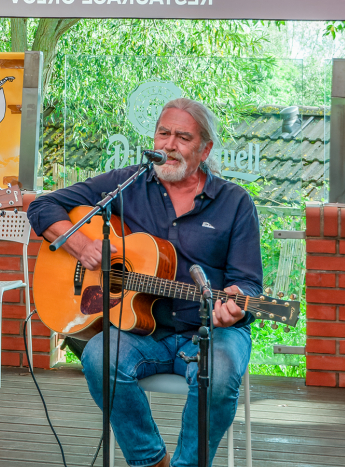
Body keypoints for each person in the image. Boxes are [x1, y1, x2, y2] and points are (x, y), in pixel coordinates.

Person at [27, 98, 262, 467]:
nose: (169, 145)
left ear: (205, 149)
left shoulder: (234, 202)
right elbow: (42, 207)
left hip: (209, 331)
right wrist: (81, 244)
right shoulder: (127, 183)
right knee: (98, 355)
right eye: (163, 133)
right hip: (142, 331)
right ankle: (150, 461)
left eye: (183, 137)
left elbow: (248, 284)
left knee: (218, 374)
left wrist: (236, 303)